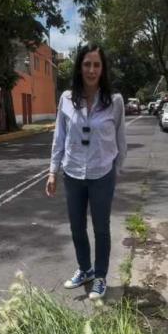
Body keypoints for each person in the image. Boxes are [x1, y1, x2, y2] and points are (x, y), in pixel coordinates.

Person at [46, 43, 127, 300]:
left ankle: (100, 276)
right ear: (80, 67)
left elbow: (121, 140)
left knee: (101, 227)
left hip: (102, 174)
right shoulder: (66, 99)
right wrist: (52, 171)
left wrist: (116, 169)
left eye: (96, 65)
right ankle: (85, 269)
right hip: (73, 174)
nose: (91, 70)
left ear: (103, 69)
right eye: (87, 64)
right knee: (76, 227)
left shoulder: (114, 102)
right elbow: (60, 136)